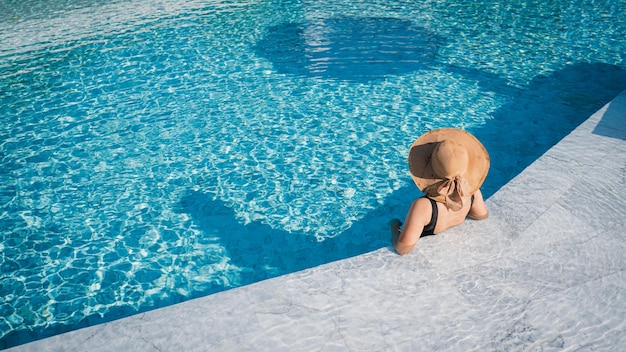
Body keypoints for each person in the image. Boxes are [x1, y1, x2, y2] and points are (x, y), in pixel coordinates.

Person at [390, 128, 490, 255]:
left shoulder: (423, 207)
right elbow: (481, 215)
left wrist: (394, 228)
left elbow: (402, 248)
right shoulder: (472, 193)